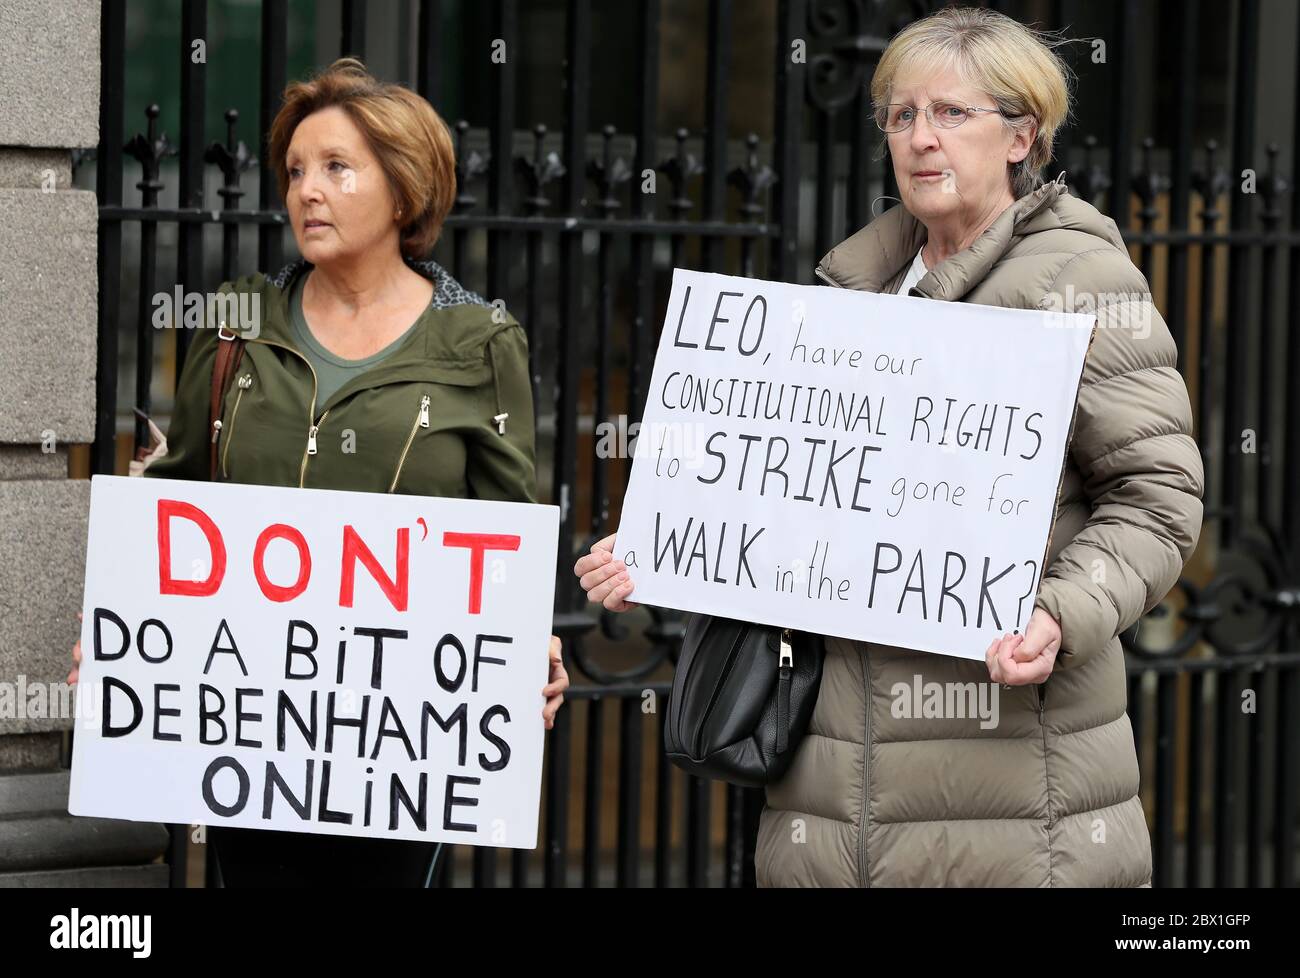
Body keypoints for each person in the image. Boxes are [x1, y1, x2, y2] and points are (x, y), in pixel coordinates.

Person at [575, 7, 1203, 886]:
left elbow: (1159, 496)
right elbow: (784, 499)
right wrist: (667, 544)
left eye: (952, 113)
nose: (920, 138)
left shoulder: (1081, 280)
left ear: (1023, 134)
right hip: (836, 791)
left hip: (1013, 805)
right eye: (901, 116)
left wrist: (1062, 610)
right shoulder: (854, 294)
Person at [70, 58, 569, 887]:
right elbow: (180, 489)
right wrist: (126, 638)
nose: (308, 190)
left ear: (404, 191)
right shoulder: (238, 320)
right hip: (249, 721)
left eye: (338, 168)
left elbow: (505, 529)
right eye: (297, 170)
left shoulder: (479, 343)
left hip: (399, 737)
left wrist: (523, 646)